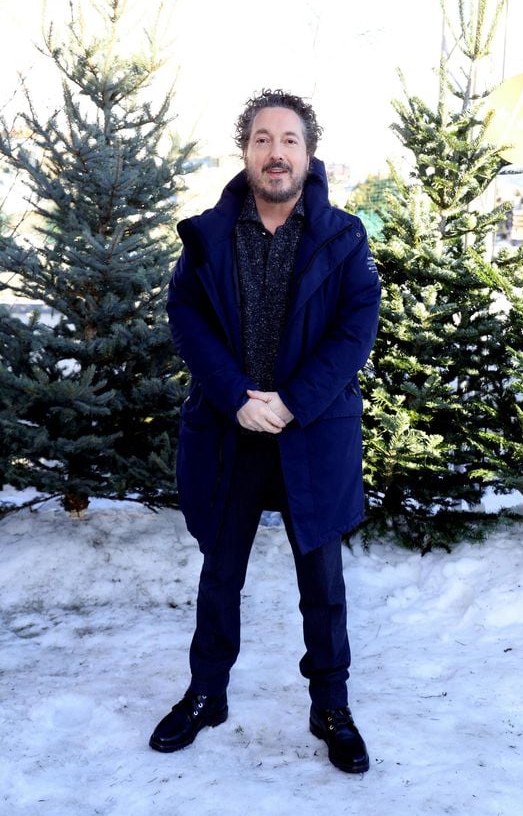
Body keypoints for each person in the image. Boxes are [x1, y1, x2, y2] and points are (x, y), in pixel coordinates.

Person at [149, 89, 381, 774]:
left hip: (310, 430)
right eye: (261, 139)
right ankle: (206, 693)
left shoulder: (344, 237)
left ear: (308, 154)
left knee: (324, 579)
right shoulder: (208, 235)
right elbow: (185, 314)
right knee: (220, 572)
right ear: (245, 151)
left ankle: (330, 706)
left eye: (288, 140)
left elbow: (354, 328)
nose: (275, 152)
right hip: (231, 428)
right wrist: (236, 397)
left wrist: (291, 402)